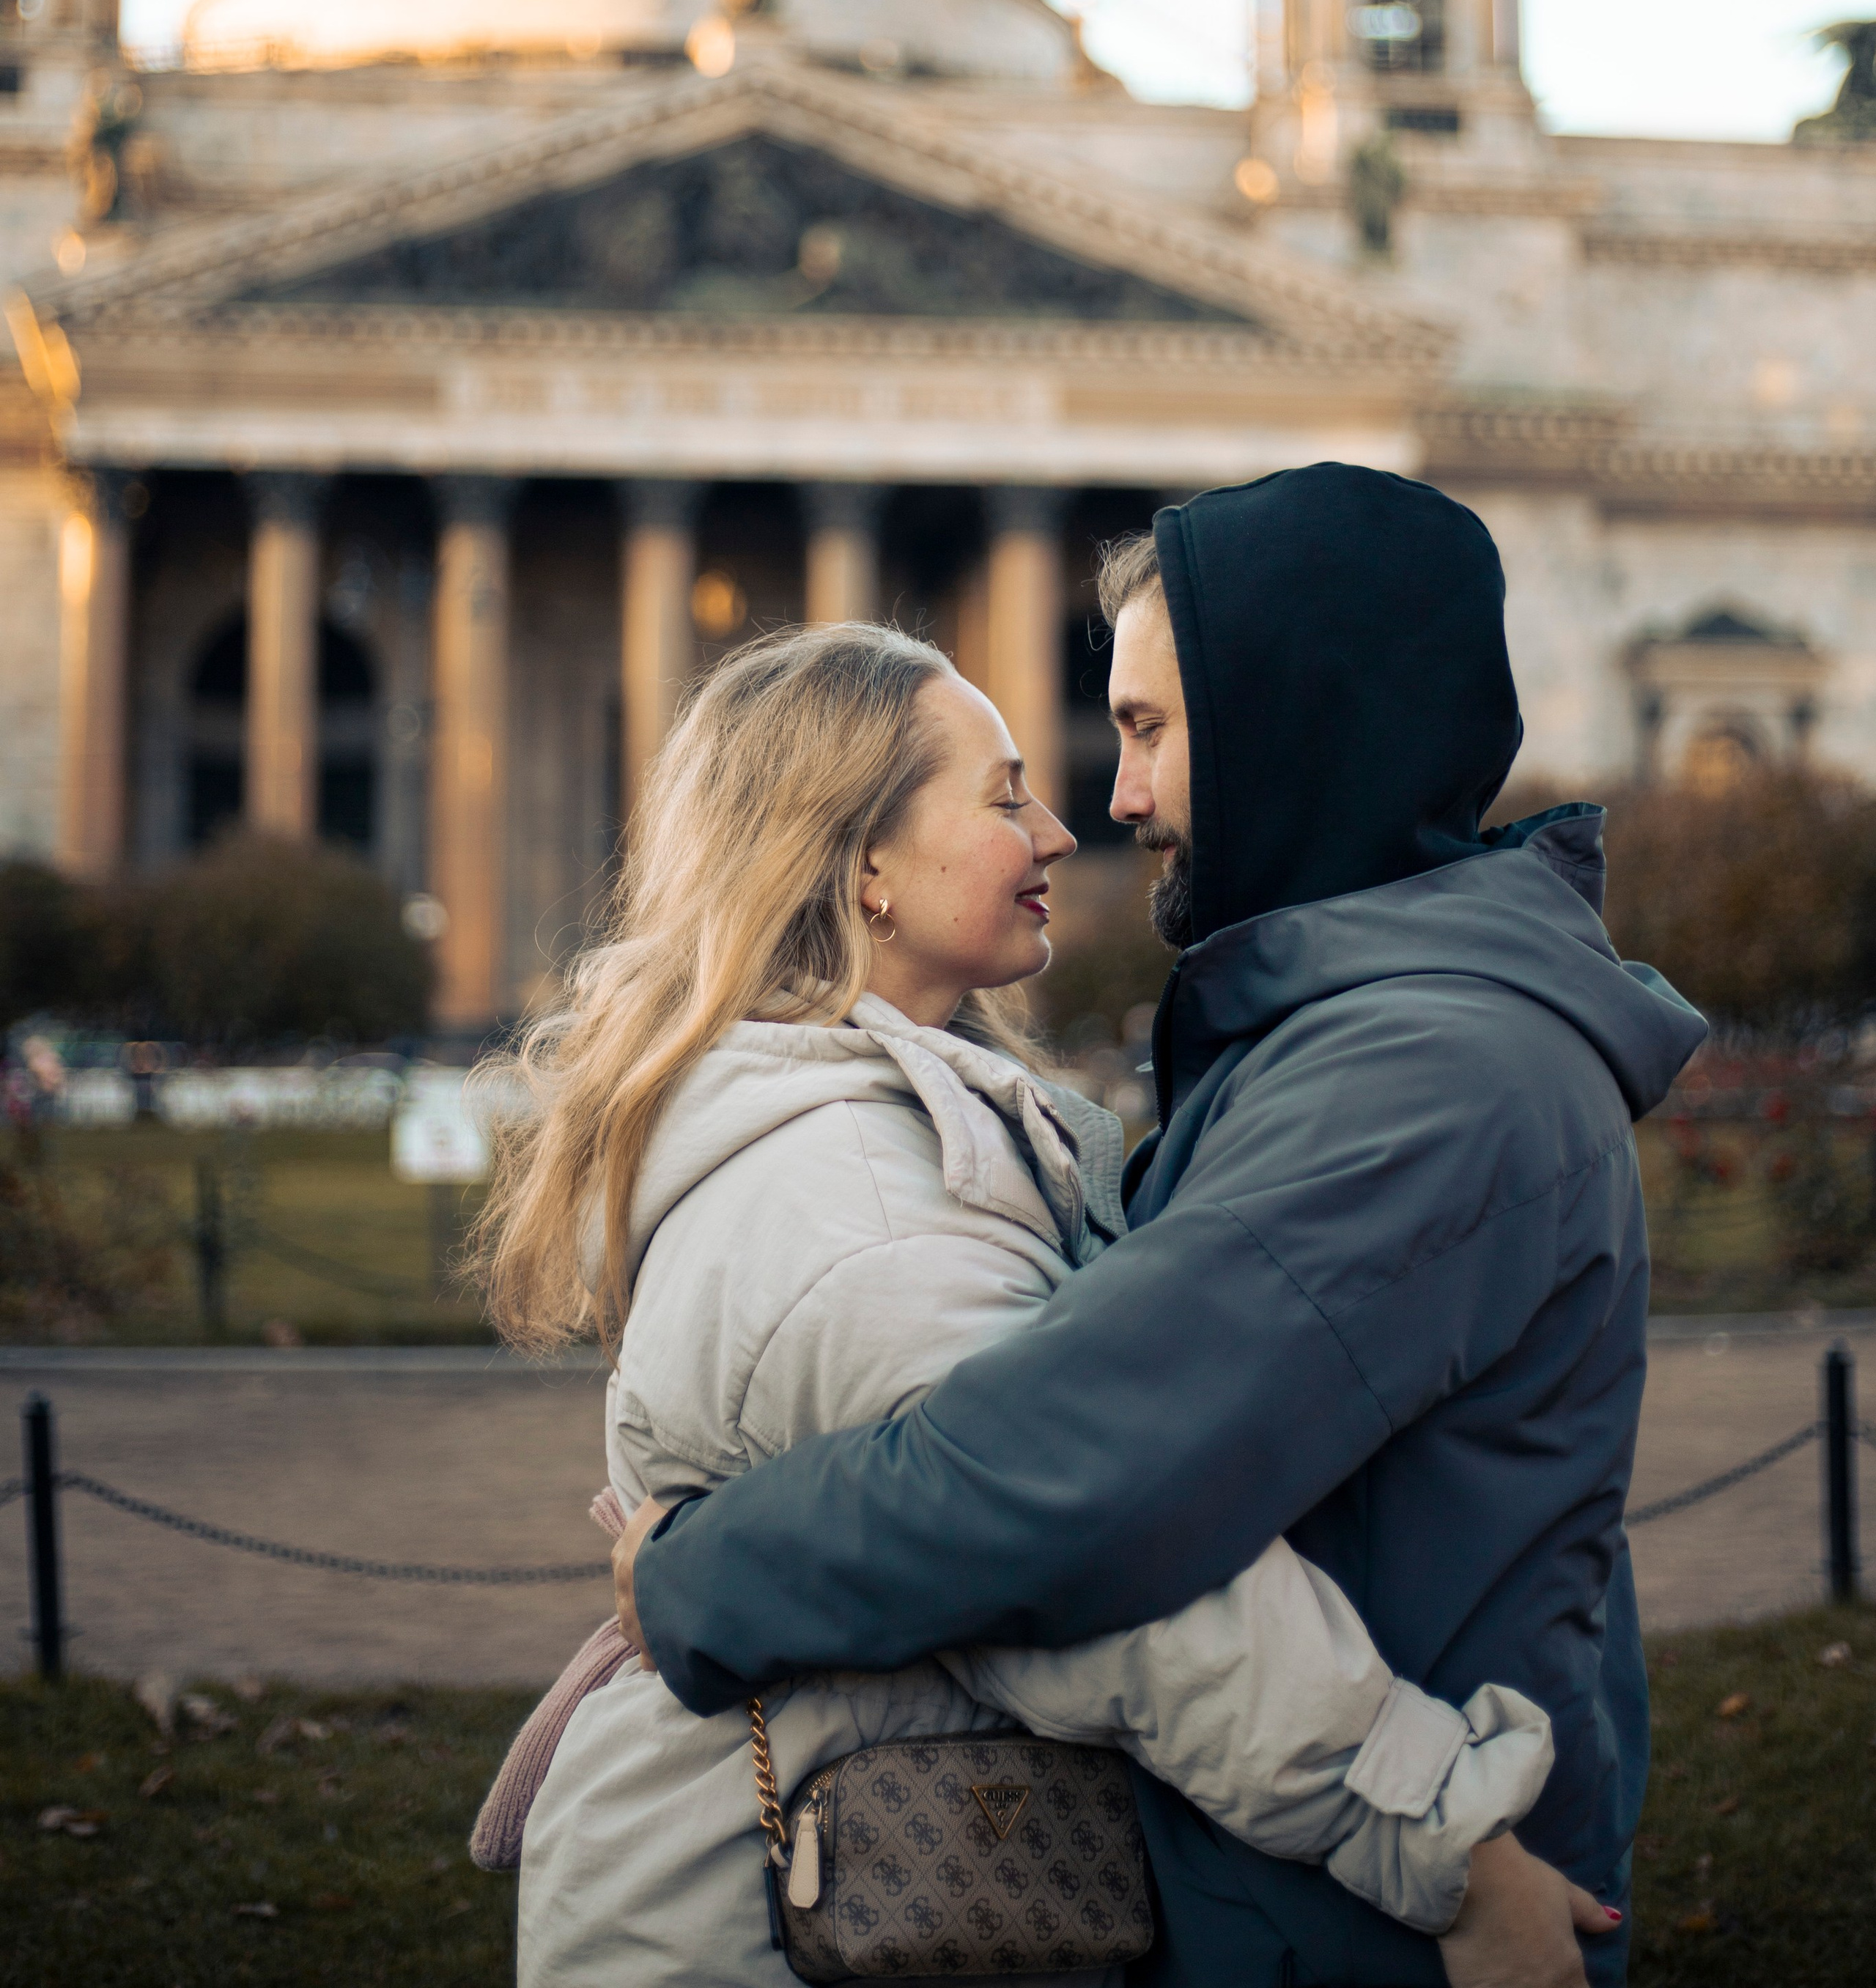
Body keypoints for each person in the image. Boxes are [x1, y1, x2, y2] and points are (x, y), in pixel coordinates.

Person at [616, 467, 1707, 1987]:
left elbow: (1067, 1473)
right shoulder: (1358, 1039)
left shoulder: (1421, 1080)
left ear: (1292, 723)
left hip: (1384, 1925)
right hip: (1336, 1888)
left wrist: (692, 1574)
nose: (1110, 803)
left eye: (1143, 732)